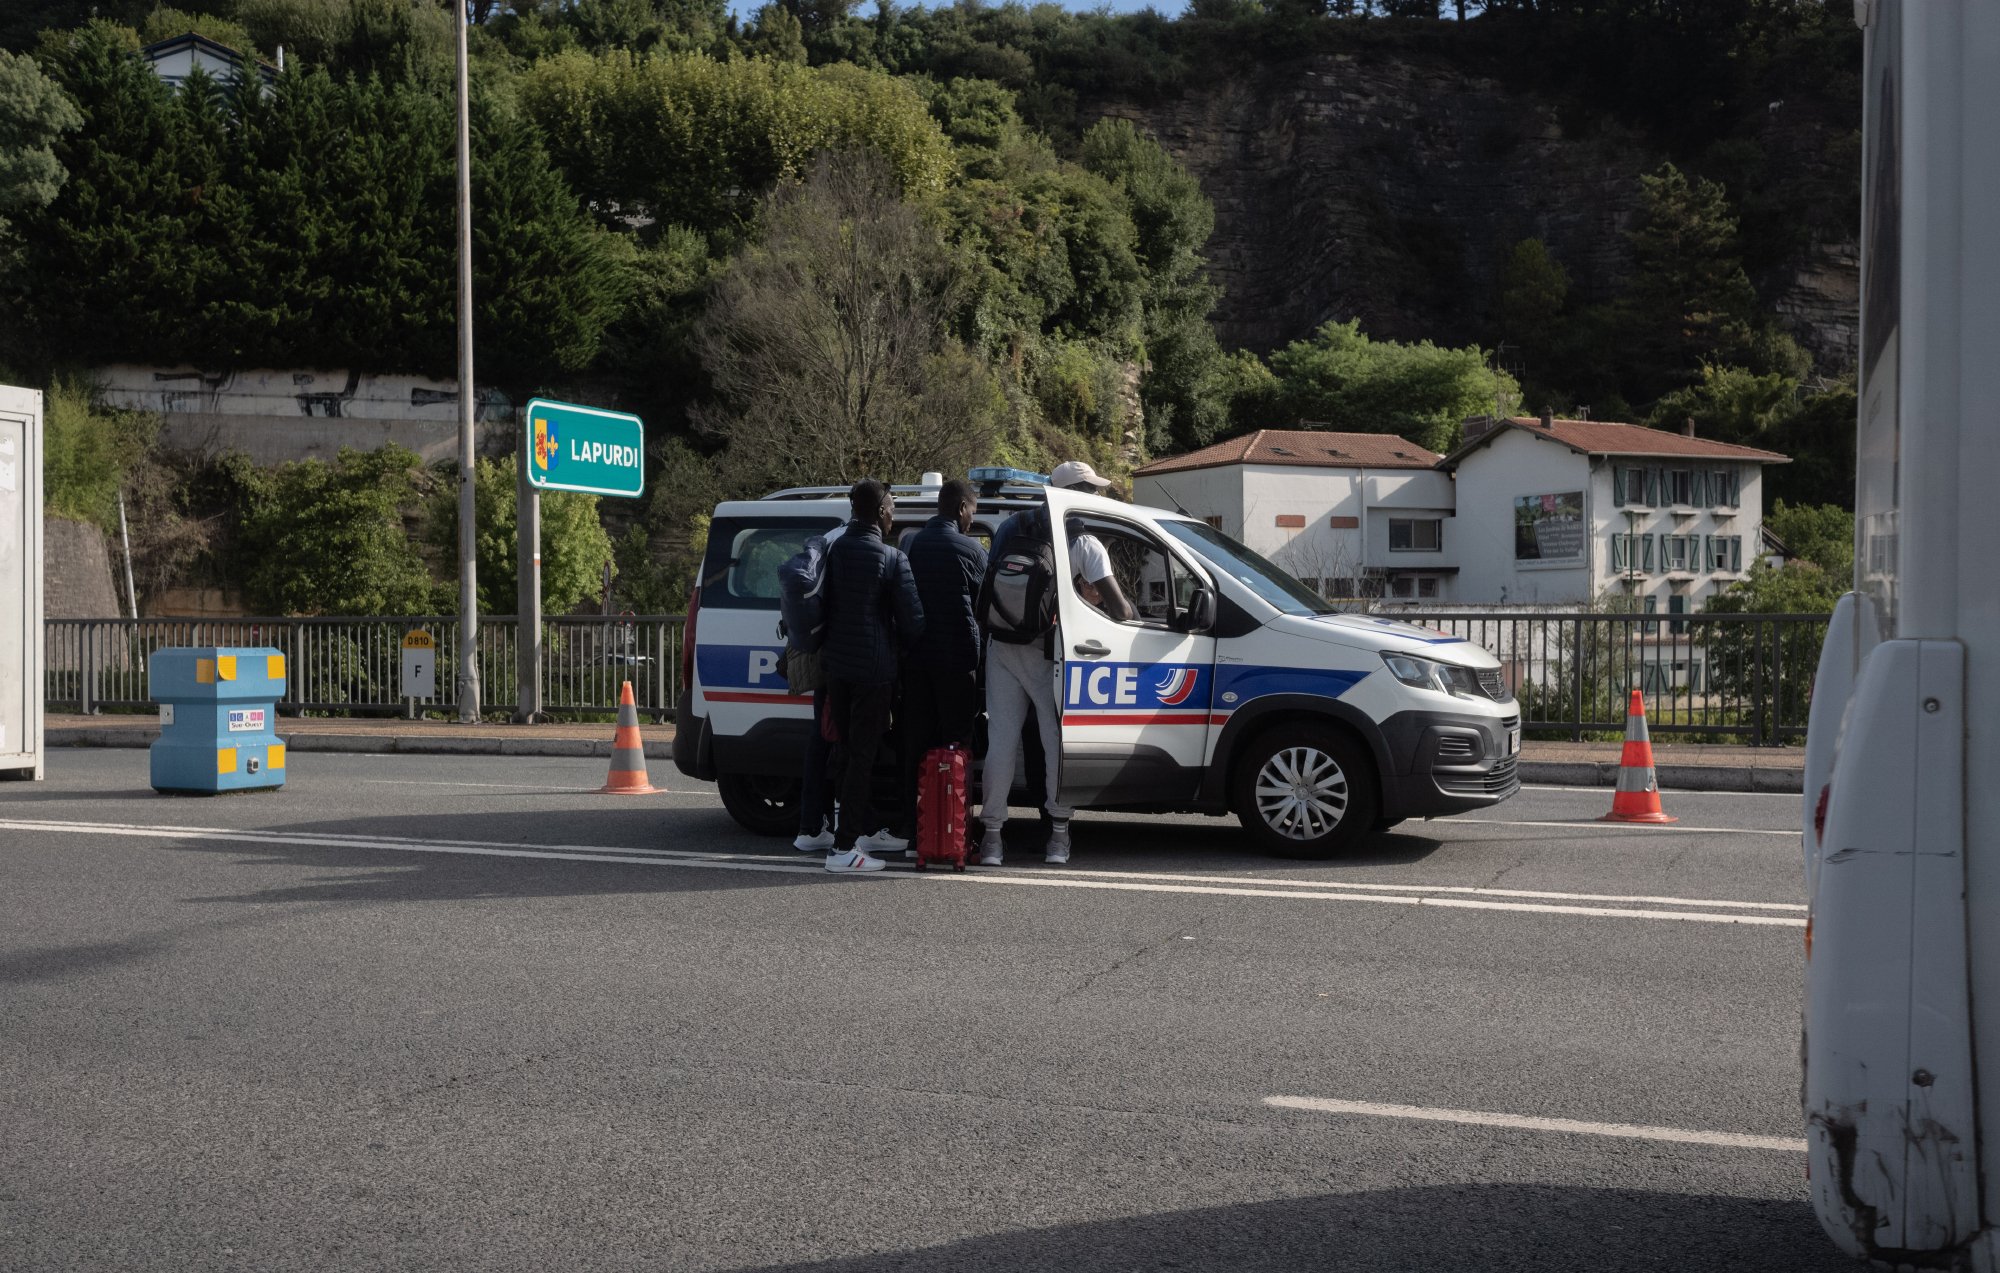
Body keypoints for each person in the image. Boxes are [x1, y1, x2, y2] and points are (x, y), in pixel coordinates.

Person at [977, 459, 1128, 866]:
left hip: (1003, 648)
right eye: (1091, 490)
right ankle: (1058, 837)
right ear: (1074, 495)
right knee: (1054, 744)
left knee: (1002, 745)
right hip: (1051, 654)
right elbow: (1119, 607)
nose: (1097, 497)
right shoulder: (1084, 542)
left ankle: (992, 839)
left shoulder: (1012, 527)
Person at [818, 479, 923, 873]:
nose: (894, 514)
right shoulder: (893, 559)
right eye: (893, 507)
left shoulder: (834, 550)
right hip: (874, 672)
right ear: (880, 512)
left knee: (845, 750)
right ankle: (844, 849)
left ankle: (848, 830)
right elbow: (914, 622)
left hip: (837, 669)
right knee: (863, 757)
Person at [890, 478, 988, 854]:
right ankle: (954, 829)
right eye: (972, 512)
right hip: (958, 663)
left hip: (915, 662)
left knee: (914, 744)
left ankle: (912, 830)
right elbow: (986, 606)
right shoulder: (971, 550)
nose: (971, 519)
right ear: (962, 508)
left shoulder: (910, 545)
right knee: (956, 747)